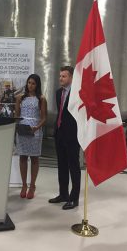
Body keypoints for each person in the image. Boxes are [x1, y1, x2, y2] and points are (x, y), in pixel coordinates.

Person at [49, 66, 81, 210]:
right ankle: (63, 194)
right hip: (60, 133)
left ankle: (74, 199)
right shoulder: (58, 93)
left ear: (72, 78)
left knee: (73, 166)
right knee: (61, 165)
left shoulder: (78, 94)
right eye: (60, 76)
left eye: (64, 76)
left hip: (73, 135)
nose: (61, 78)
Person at [15, 74, 47, 199]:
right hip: (22, 129)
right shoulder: (20, 98)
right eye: (29, 83)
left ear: (37, 85)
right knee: (22, 157)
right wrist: (17, 127)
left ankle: (32, 185)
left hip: (35, 130)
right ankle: (24, 185)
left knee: (34, 158)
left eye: (33, 83)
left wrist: (37, 128)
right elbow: (17, 116)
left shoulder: (41, 99)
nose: (30, 85)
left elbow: (44, 118)